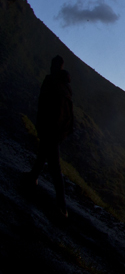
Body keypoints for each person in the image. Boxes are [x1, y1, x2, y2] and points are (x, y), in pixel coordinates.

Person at [26, 55, 74, 217]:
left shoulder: (53, 82)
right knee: (43, 155)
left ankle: (62, 207)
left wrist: (43, 126)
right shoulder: (65, 87)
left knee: (55, 167)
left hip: (51, 129)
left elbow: (48, 106)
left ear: (55, 65)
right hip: (57, 131)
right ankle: (32, 177)